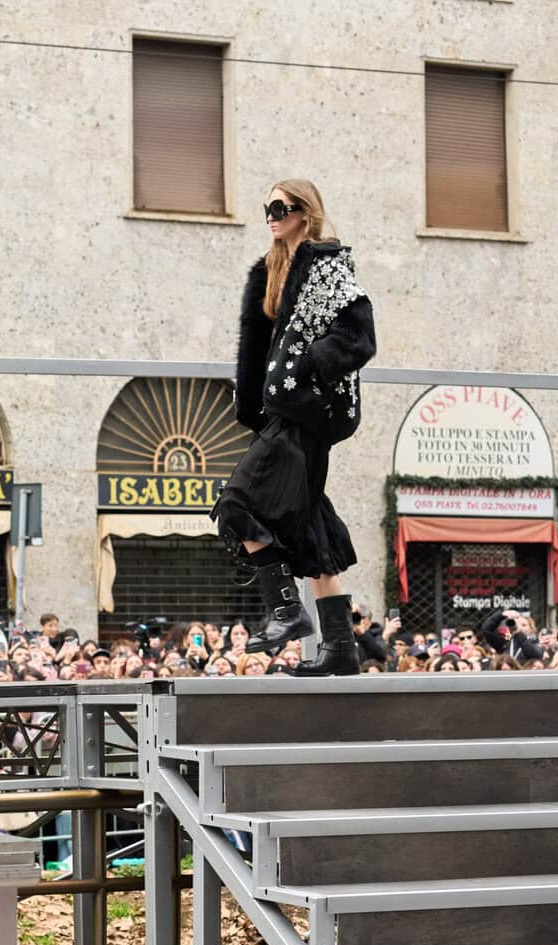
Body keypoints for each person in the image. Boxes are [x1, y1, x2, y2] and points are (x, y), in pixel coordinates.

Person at [217, 178, 376, 677]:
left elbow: (359, 335)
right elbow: (258, 345)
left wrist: (309, 363)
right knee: (309, 526)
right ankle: (342, 650)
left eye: (281, 207)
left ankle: (287, 611)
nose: (271, 215)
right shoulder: (269, 271)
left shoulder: (327, 267)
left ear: (305, 213)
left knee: (237, 502)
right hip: (279, 410)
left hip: (307, 408)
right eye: (266, 206)